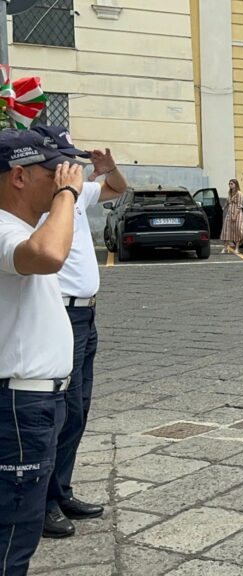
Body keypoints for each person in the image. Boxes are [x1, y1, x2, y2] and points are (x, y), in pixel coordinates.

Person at [32, 125, 127, 538]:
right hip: (60, 312)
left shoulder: (76, 194)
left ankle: (61, 490)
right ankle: (43, 503)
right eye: (67, 160)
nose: (75, 167)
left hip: (86, 315)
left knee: (78, 409)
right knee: (58, 410)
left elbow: (118, 189)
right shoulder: (42, 200)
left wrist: (110, 168)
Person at [0, 129, 84, 576]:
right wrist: (69, 194)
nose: (61, 180)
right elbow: (49, 254)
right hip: (18, 404)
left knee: (20, 527)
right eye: (53, 173)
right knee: (12, 534)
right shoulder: (3, 228)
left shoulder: (19, 228)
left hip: (33, 399)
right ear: (19, 176)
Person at [221, 178, 243, 253]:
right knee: (226, 230)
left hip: (237, 214)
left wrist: (235, 215)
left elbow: (239, 206)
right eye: (229, 184)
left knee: (237, 230)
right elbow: (227, 201)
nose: (230, 185)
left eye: (231, 184)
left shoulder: (239, 194)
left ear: (236, 184)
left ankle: (237, 248)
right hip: (229, 213)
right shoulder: (229, 193)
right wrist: (223, 207)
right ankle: (225, 247)